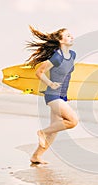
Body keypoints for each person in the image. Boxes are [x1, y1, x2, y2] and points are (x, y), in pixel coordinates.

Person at [26, 26, 78, 164]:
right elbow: (39, 72)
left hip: (62, 96)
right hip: (52, 95)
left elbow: (66, 76)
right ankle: (41, 132)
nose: (71, 37)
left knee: (54, 131)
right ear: (60, 41)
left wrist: (67, 94)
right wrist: (50, 83)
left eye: (70, 35)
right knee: (73, 121)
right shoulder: (57, 57)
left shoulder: (72, 55)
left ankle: (36, 156)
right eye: (67, 36)